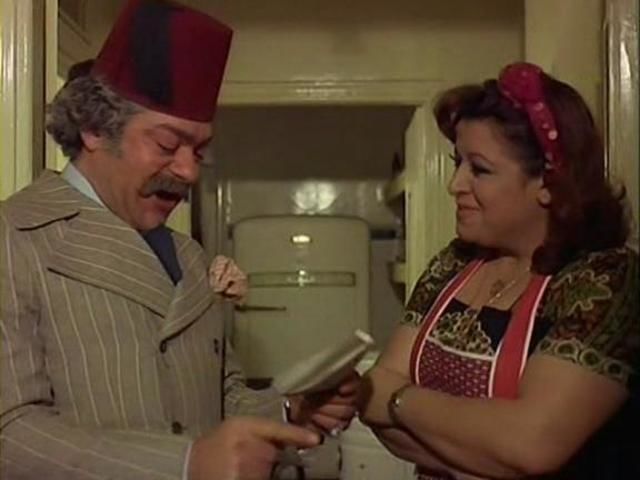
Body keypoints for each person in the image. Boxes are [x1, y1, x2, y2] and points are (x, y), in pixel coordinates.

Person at [0, 1, 359, 479]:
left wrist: (290, 409)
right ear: (93, 129)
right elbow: (10, 432)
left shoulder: (188, 254)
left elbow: (218, 399)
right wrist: (184, 464)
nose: (188, 171)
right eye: (167, 145)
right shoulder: (14, 236)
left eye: (199, 150)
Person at [358, 62, 639, 479]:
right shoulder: (454, 263)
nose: (455, 184)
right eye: (458, 162)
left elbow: (531, 445)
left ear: (549, 184)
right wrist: (489, 454)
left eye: (480, 169)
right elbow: (373, 399)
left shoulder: (604, 280)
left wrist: (400, 400)